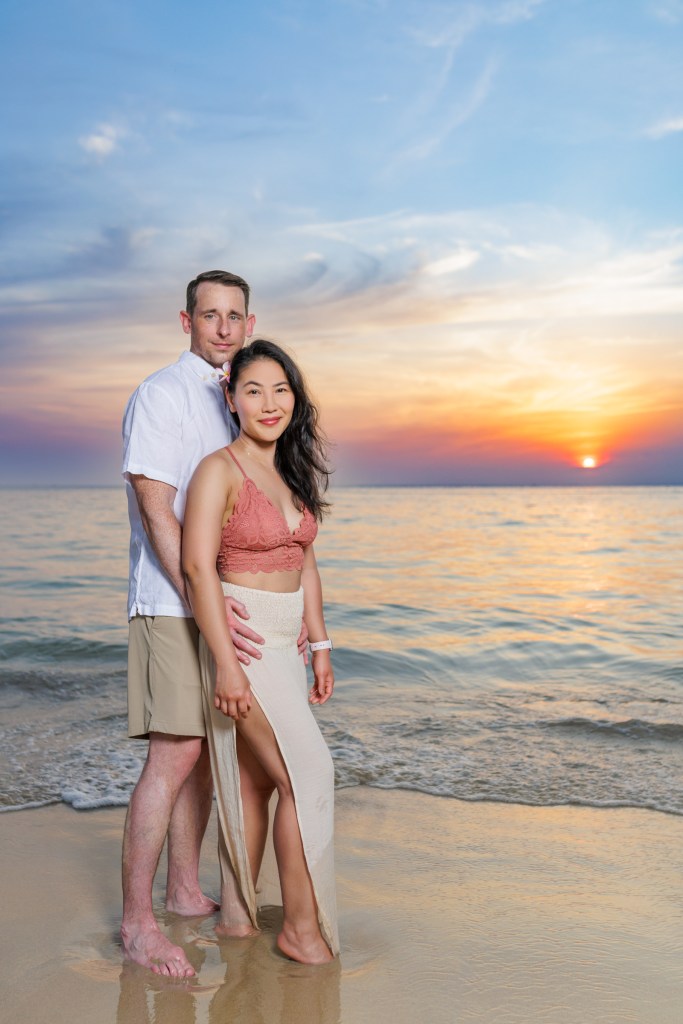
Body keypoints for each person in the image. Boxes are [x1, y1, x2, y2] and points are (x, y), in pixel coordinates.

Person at [121, 270, 267, 979]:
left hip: (211, 603)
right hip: (170, 603)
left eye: (233, 315)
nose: (221, 327)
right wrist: (203, 602)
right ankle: (138, 924)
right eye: (208, 315)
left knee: (206, 752)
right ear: (186, 321)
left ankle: (183, 888)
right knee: (172, 755)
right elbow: (157, 512)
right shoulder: (161, 394)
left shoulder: (230, 399)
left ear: (246, 322)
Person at [182, 339, 339, 964]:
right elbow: (197, 568)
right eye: (253, 390)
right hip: (243, 645)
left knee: (255, 786)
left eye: (280, 389)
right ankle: (301, 931)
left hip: (287, 643)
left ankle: (237, 921)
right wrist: (224, 660)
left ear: (295, 398)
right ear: (231, 398)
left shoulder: (291, 471)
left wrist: (320, 641)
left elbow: (305, 559)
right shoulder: (218, 470)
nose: (269, 403)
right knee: (307, 776)